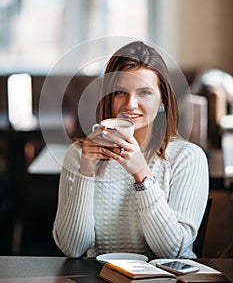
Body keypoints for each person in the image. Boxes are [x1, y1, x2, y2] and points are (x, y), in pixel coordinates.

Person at [53, 41, 209, 259]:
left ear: (162, 98)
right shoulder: (79, 155)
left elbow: (173, 251)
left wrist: (142, 174)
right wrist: (85, 172)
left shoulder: (188, 158)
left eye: (144, 92)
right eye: (120, 92)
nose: (130, 104)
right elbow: (73, 248)